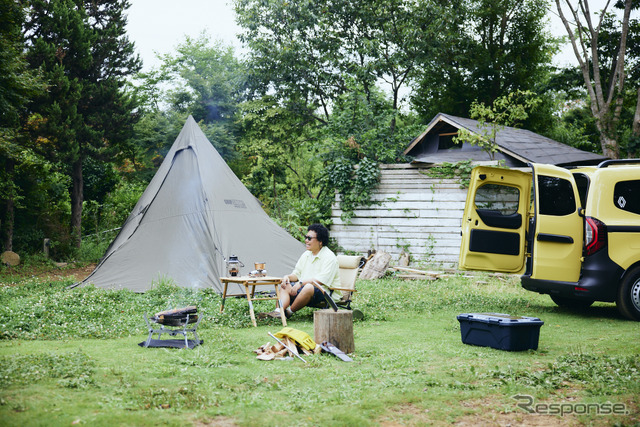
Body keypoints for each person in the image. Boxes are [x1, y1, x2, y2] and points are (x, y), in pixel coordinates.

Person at [260, 224, 340, 319]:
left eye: (309, 238)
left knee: (309, 287)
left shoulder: (329, 257)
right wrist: (288, 277)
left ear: (320, 241)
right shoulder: (306, 254)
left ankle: (289, 312)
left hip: (324, 292)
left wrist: (301, 283)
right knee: (286, 285)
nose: (306, 240)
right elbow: (296, 274)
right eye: (306, 237)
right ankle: (278, 312)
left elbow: (320, 281)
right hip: (303, 288)